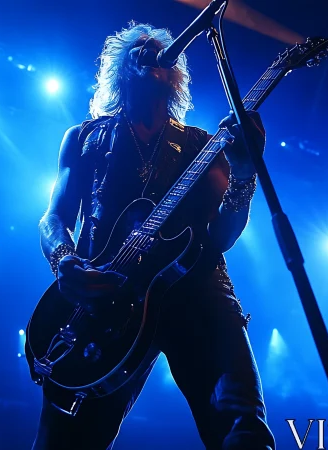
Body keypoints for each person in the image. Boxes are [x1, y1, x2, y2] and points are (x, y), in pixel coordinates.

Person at [33, 22, 274, 449]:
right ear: (118, 68)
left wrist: (243, 174)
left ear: (176, 74)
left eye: (157, 48)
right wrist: (64, 260)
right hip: (107, 301)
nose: (149, 49)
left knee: (242, 432)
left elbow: (221, 236)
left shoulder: (202, 146)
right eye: (138, 47)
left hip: (197, 294)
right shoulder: (86, 138)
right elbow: (54, 217)